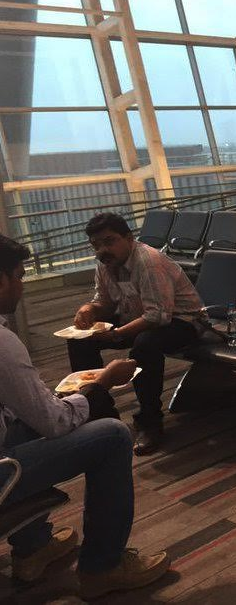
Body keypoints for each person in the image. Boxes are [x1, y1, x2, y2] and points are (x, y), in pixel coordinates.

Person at [0, 235, 170, 598]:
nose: (22, 284)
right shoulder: (2, 343)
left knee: (23, 422)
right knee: (111, 436)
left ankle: (33, 548)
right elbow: (56, 423)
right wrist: (99, 385)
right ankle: (102, 567)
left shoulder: (149, 262)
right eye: (17, 275)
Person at [67, 213, 204, 455]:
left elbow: (159, 315)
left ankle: (150, 422)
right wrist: (89, 308)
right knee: (80, 340)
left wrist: (118, 333)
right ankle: (99, 410)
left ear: (128, 238)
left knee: (145, 345)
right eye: (96, 245)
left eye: (109, 241)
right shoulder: (105, 263)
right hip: (135, 317)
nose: (102, 250)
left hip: (183, 321)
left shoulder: (149, 262)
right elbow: (105, 301)